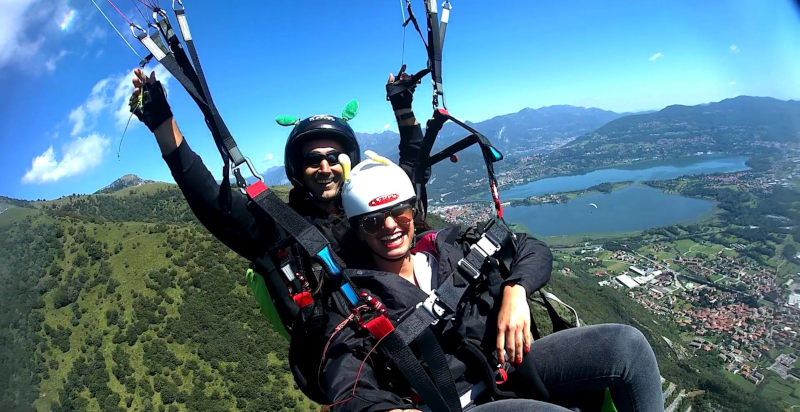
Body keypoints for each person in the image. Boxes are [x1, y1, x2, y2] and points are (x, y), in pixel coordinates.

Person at [127, 67, 433, 401]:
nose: (325, 168)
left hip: (426, 344)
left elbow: (410, 172)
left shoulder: (370, 209)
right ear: (297, 169)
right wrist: (161, 121)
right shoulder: (278, 227)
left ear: (349, 160)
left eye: (333, 157)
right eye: (313, 160)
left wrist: (403, 108)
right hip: (362, 375)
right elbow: (209, 199)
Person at [320, 155, 665, 412]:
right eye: (373, 222)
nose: (391, 226)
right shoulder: (355, 299)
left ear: (414, 211)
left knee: (627, 346)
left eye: (401, 214)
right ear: (358, 230)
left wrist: (517, 290)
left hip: (507, 367)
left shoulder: (449, 251)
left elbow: (531, 248)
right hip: (459, 403)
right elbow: (344, 378)